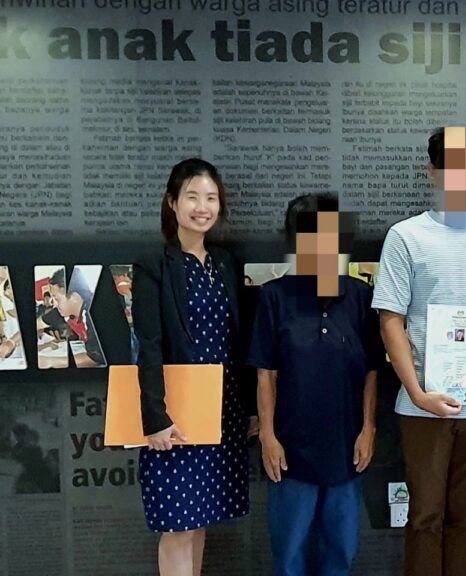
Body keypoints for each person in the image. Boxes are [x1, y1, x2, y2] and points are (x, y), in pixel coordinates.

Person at [373, 126, 466, 576]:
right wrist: (417, 393)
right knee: (423, 519)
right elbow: (390, 320)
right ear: (433, 172)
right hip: (423, 405)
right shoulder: (405, 236)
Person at [132, 158, 253, 576]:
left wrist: (250, 409)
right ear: (172, 202)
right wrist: (156, 418)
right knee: (177, 526)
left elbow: (238, 341)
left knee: (199, 523)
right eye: (192, 197)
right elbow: (148, 345)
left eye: (211, 198)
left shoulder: (224, 263)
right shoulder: (154, 265)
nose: (203, 207)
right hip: (175, 417)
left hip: (222, 412)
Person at [248, 193, 379, 576]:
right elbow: (265, 373)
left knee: (340, 550)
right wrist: (268, 436)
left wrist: (369, 428)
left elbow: (372, 369)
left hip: (347, 447)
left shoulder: (360, 296)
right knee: (289, 553)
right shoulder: (274, 296)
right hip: (291, 450)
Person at [45, 267, 105, 367]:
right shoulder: (68, 307)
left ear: (74, 298)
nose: (54, 305)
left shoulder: (94, 315)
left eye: (56, 299)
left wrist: (48, 361)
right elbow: (41, 321)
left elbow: (96, 358)